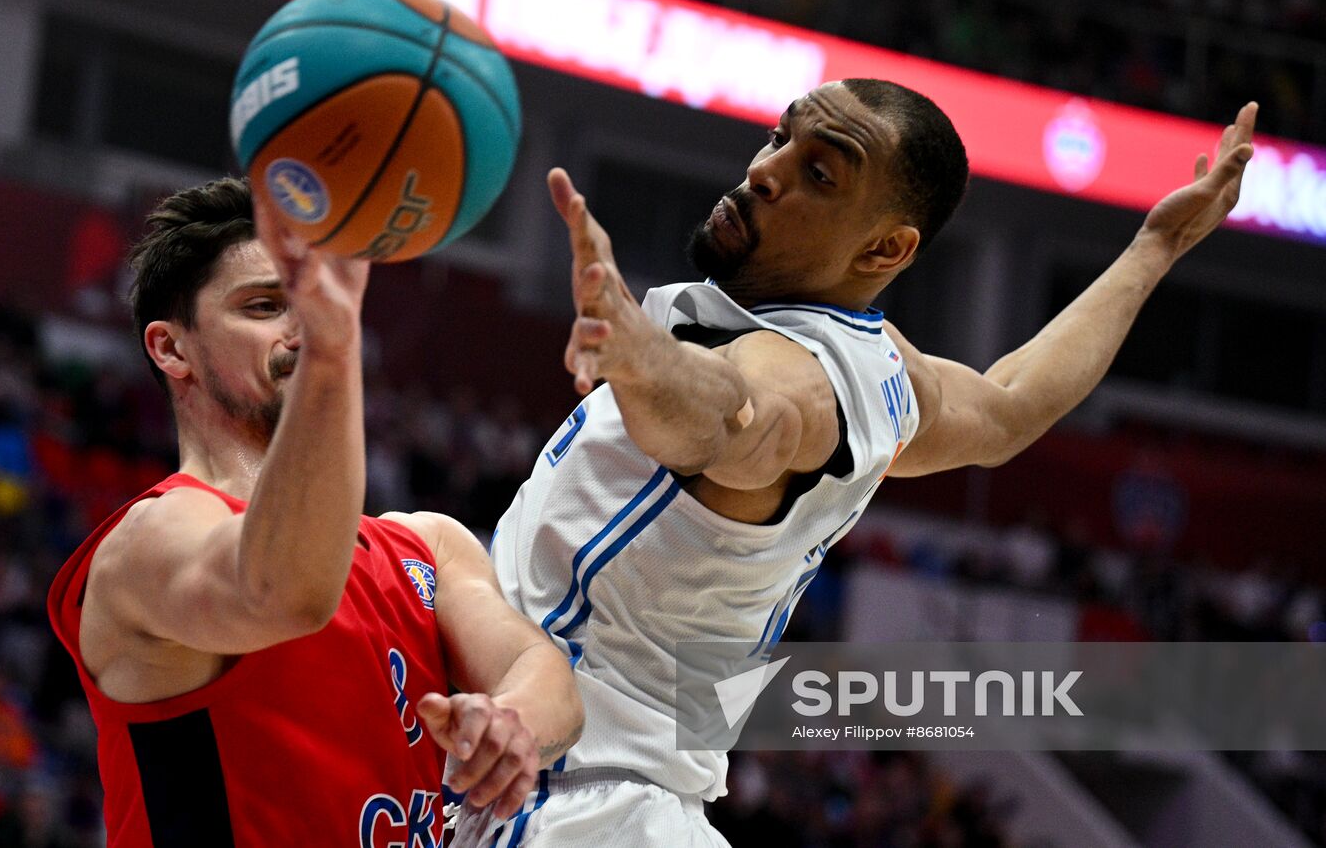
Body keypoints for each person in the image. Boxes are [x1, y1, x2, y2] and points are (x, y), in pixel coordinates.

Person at [450, 79, 1257, 847]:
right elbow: (1011, 404)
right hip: (610, 796)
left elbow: (731, 421)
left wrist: (640, 361)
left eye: (820, 172)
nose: (764, 171)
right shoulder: (885, 370)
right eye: (780, 137)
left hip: (560, 797)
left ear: (885, 247)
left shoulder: (800, 378)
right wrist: (1156, 244)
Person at [46, 179, 583, 847]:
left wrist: (512, 721)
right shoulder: (148, 541)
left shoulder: (427, 545)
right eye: (267, 304)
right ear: (171, 348)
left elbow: (544, 673)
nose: (298, 325)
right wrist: (332, 347)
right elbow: (287, 593)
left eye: (308, 304)